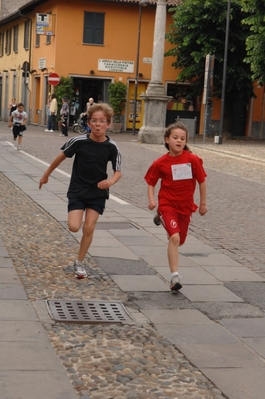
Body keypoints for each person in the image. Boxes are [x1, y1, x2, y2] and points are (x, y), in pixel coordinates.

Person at [39, 103, 122, 279]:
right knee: (74, 226)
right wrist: (46, 175)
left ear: (108, 124)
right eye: (94, 121)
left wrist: (110, 182)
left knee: (89, 227)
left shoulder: (112, 147)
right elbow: (59, 158)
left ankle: (80, 262)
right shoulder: (78, 141)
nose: (98, 124)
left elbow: (118, 171)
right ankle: (79, 259)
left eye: (102, 121)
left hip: (97, 192)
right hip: (77, 190)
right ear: (89, 123)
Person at [144, 121, 208, 292]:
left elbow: (202, 181)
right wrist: (152, 200)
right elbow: (151, 182)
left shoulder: (193, 160)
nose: (179, 141)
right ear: (167, 140)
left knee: (180, 240)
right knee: (174, 238)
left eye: (182, 138)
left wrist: (202, 204)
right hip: (167, 204)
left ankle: (162, 219)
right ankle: (175, 276)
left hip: (185, 207)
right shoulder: (160, 163)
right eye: (175, 138)